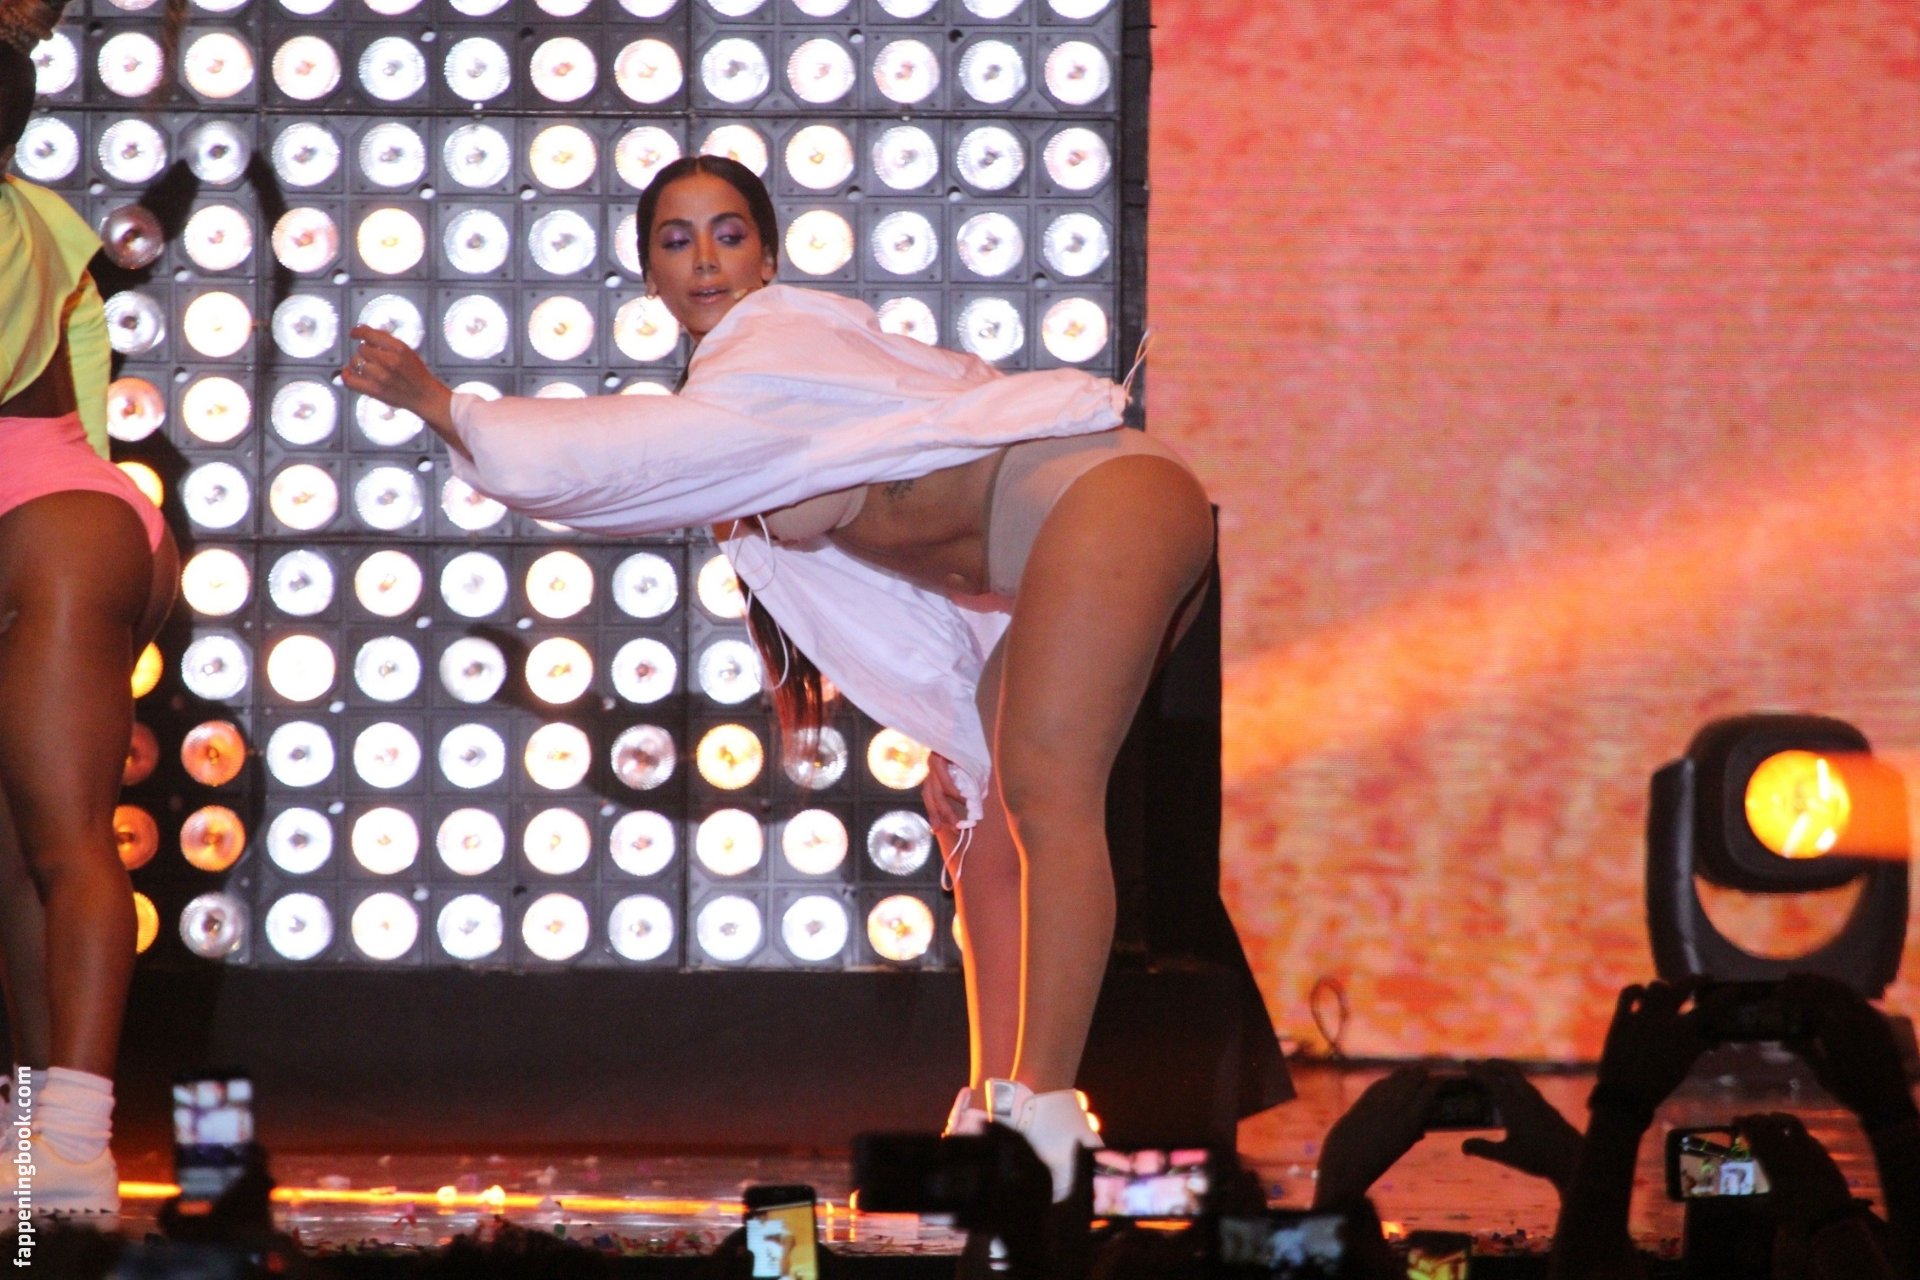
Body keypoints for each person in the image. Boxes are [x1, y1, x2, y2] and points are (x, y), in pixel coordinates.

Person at [342, 155, 1216, 1200]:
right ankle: (992, 1107)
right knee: (979, 815)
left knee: (1045, 790)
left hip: (1114, 505)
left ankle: (1048, 1125)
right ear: (649, 275)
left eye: (729, 234)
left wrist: (450, 408)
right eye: (676, 241)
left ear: (767, 257)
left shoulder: (774, 349)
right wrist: (954, 727)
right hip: (1063, 546)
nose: (706, 259)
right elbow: (930, 577)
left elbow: (619, 457)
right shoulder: (753, 393)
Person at [0, 34, 179, 1223]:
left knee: (64, 845)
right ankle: (36, 1151)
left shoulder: (12, 225)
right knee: (22, 861)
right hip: (65, 506)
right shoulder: (38, 217)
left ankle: (70, 1145)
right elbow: (81, 353)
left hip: (53, 520)